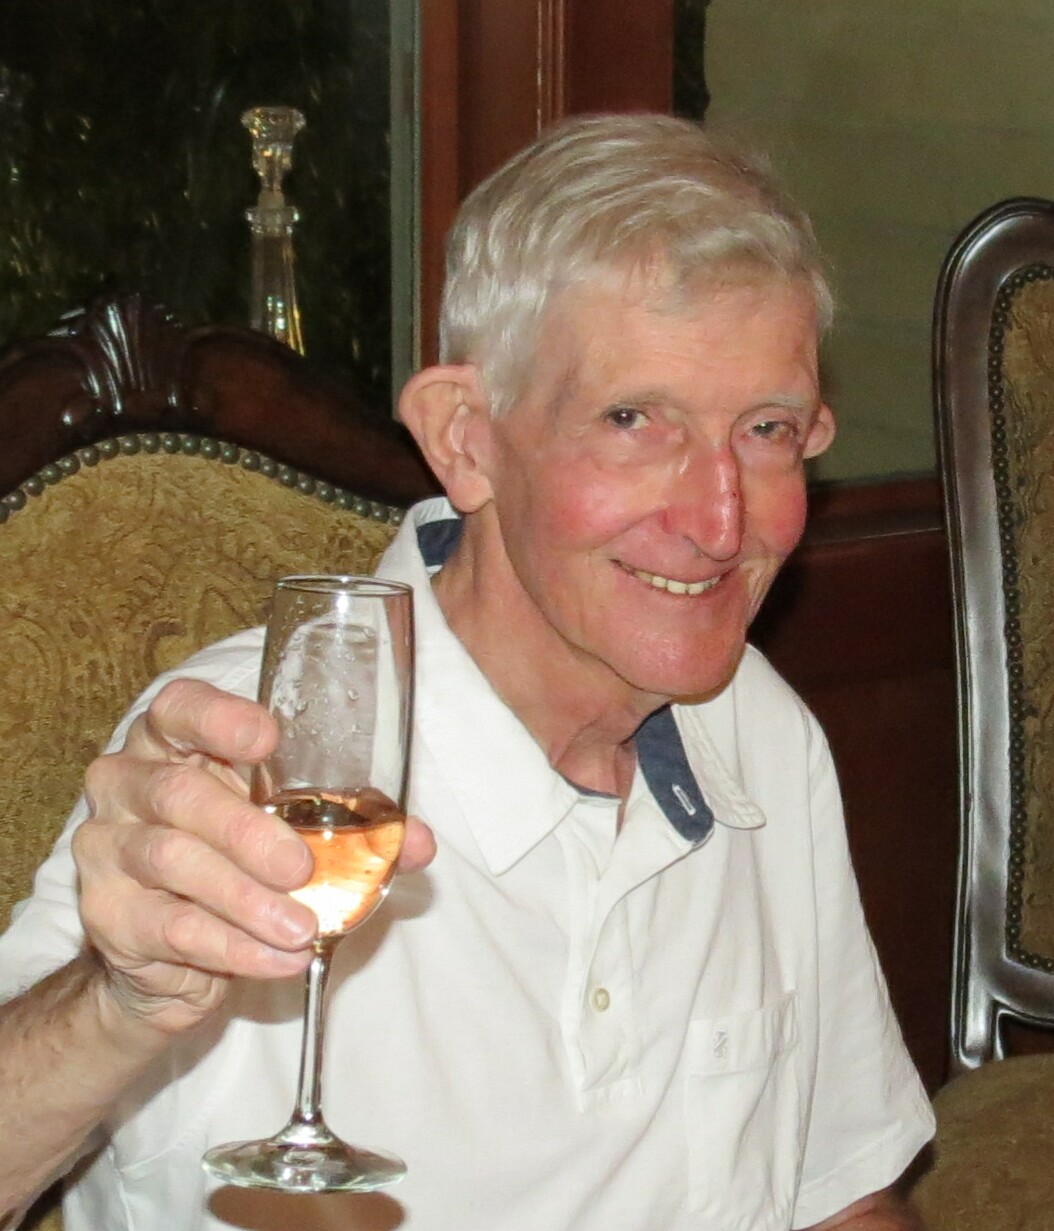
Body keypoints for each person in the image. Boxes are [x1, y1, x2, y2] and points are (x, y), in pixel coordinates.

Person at [0, 113, 934, 1231]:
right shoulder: (256, 757)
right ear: (466, 439)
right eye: (634, 420)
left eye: (767, 428)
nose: (719, 519)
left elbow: (840, 1194)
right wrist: (117, 1000)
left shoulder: (760, 730)